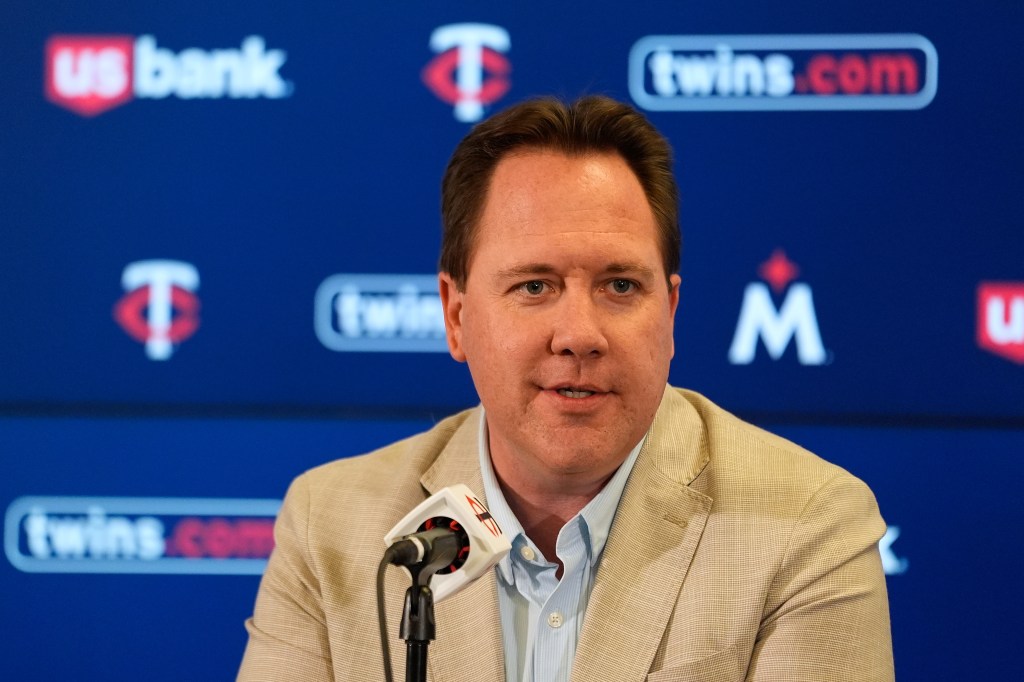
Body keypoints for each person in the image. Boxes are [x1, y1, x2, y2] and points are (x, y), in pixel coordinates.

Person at [237, 95, 893, 682]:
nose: (580, 334)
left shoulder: (806, 525)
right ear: (457, 315)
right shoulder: (332, 526)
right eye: (534, 286)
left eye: (620, 286)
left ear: (670, 314)